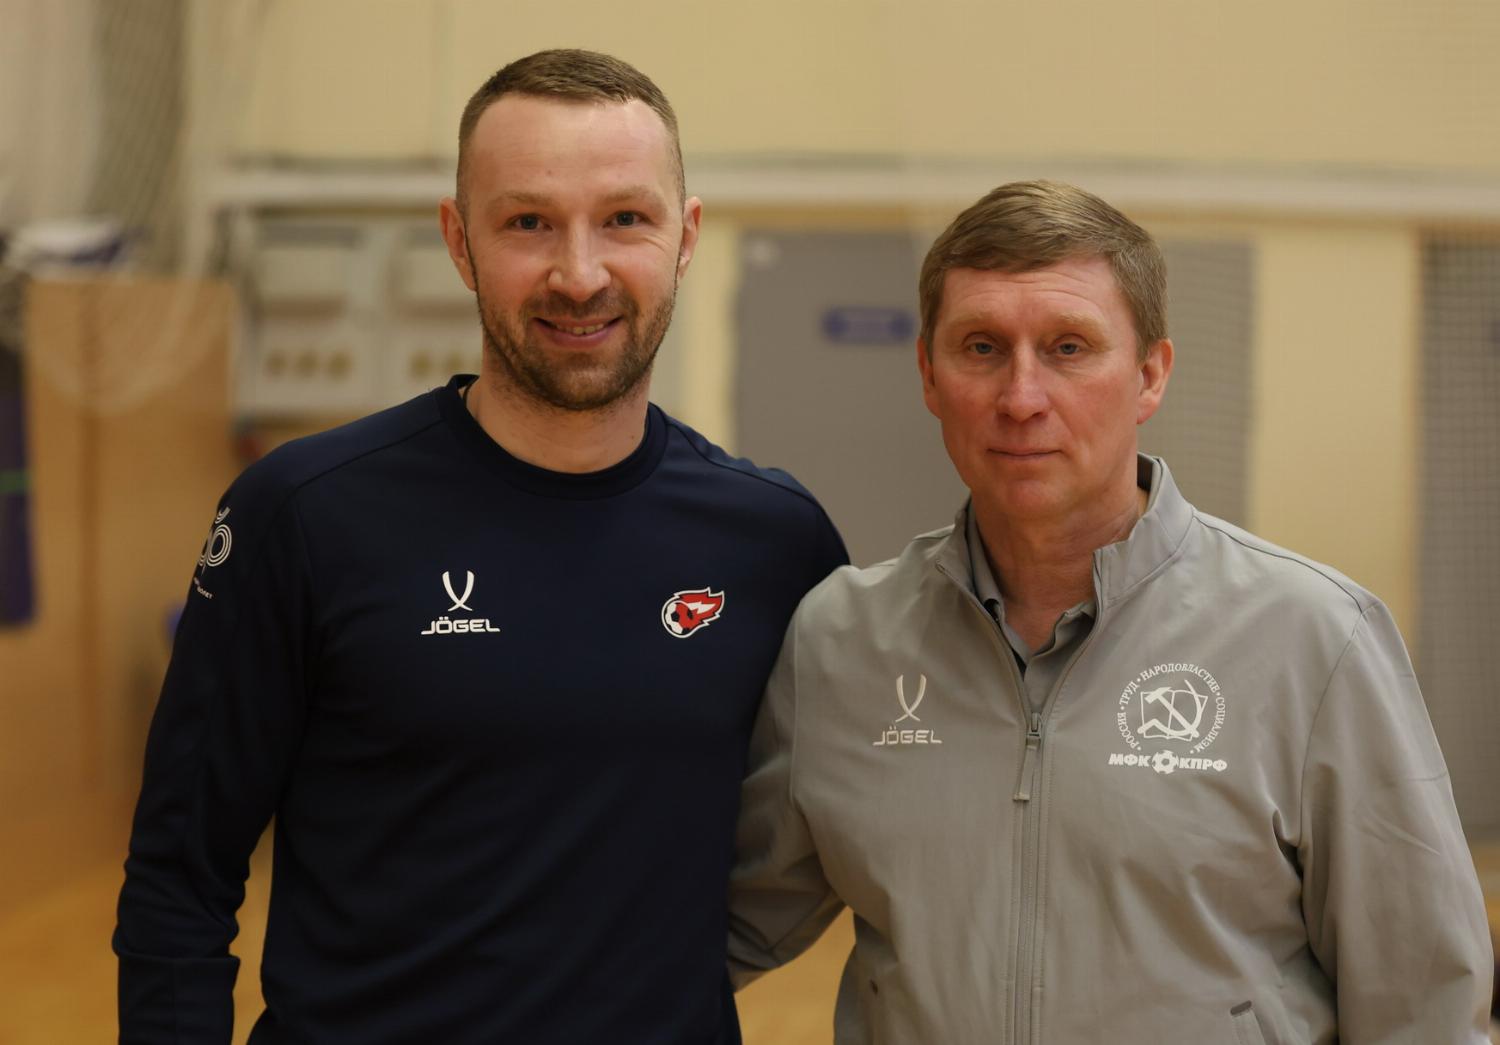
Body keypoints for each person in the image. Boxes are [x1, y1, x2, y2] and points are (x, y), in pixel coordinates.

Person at [115, 49, 846, 1044]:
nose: (579, 274)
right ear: (459, 242)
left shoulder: (775, 541)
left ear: (686, 237)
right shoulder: (305, 514)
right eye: (528, 222)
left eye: (624, 219)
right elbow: (180, 872)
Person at [728, 180, 1493, 1043]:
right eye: (982, 347)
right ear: (929, 375)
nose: (1021, 396)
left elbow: (1424, 1009)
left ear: (1149, 375)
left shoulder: (1315, 637)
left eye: (1068, 347)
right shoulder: (841, 641)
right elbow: (718, 924)